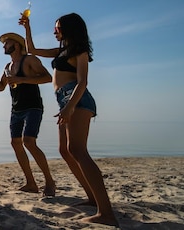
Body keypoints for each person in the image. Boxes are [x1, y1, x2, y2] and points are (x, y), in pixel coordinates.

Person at [20, 13, 119, 226]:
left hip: (77, 100)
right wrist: (27, 27)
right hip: (66, 101)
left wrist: (69, 107)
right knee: (65, 150)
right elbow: (32, 50)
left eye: (57, 28)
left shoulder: (79, 51)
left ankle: (106, 213)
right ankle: (92, 198)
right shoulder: (61, 51)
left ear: (69, 29)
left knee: (78, 151)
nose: (54, 31)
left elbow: (82, 82)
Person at [0, 32, 56, 196]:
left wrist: (22, 80)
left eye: (6, 43)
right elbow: (1, 87)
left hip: (33, 107)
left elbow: (48, 78)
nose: (3, 46)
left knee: (29, 141)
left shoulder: (29, 60)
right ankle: (31, 183)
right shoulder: (7, 67)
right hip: (16, 109)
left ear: (16, 45)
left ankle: (50, 181)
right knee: (15, 143)